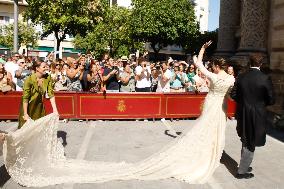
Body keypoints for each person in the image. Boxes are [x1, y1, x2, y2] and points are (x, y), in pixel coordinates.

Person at [3, 41, 235, 187]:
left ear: (218, 67)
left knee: (203, 133)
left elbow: (198, 64)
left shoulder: (214, 76)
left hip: (211, 107)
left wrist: (202, 51)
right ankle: (208, 157)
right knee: (212, 134)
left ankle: (9, 138)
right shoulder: (230, 79)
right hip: (219, 110)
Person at [231, 53, 275, 179]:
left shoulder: (241, 76)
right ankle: (242, 171)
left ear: (250, 62)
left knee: (246, 138)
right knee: (250, 141)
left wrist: (245, 102)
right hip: (257, 114)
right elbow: (271, 100)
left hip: (243, 112)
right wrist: (260, 103)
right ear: (261, 63)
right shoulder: (265, 78)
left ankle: (244, 164)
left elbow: (234, 95)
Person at [18, 60, 59, 128]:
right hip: (28, 107)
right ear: (37, 68)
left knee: (40, 129)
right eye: (44, 67)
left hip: (39, 106)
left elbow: (51, 94)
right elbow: (25, 98)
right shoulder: (29, 79)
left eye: (46, 66)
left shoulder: (48, 77)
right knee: (26, 131)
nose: (46, 68)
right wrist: (25, 113)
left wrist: (55, 110)